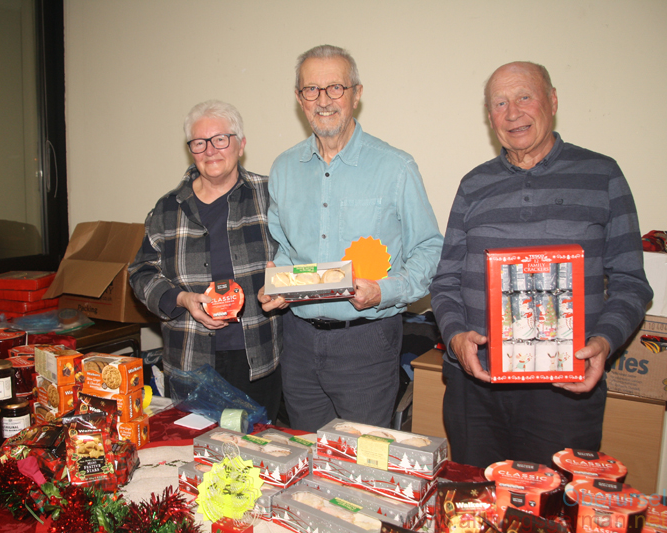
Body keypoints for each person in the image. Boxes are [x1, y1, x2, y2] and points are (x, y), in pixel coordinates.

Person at [429, 61, 653, 468]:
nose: (512, 112)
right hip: (476, 385)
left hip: (564, 389)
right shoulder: (473, 184)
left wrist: (604, 341)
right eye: (499, 103)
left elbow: (631, 282)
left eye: (524, 97)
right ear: (489, 115)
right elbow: (445, 280)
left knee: (551, 512)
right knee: (472, 507)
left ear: (552, 101)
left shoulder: (602, 175)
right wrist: (457, 335)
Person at [259, 45, 443, 432]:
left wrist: (385, 291)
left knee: (360, 469)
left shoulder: (396, 167)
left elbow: (430, 249)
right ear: (299, 99)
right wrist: (279, 286)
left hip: (366, 341)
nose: (323, 101)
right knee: (307, 460)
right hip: (298, 342)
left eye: (335, 88)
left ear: (356, 94)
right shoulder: (283, 168)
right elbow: (286, 250)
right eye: (311, 89)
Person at [128, 100, 282, 422]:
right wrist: (181, 298)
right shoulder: (168, 208)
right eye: (199, 143)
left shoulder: (270, 195)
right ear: (191, 150)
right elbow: (141, 272)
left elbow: (296, 255)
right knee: (193, 455)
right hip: (190, 359)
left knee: (256, 452)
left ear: (241, 144)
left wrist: (284, 285)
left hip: (257, 357)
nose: (210, 150)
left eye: (220, 139)